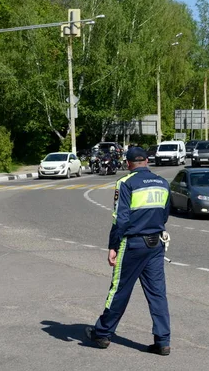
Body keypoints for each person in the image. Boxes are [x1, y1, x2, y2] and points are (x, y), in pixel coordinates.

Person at [85, 146, 172, 355]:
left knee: (119, 289)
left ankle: (103, 333)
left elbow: (120, 219)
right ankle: (163, 341)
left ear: (128, 163)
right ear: (147, 161)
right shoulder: (163, 183)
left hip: (133, 244)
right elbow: (165, 214)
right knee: (157, 293)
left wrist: (113, 246)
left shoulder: (125, 183)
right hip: (156, 244)